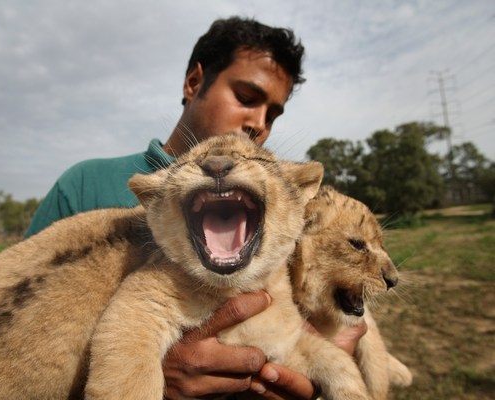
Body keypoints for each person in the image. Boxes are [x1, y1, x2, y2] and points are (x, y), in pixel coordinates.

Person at [25, 17, 367, 399]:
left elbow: (306, 318)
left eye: (272, 114)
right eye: (247, 98)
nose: (258, 124)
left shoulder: (279, 201)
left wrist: (327, 363)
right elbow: (15, 329)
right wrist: (153, 371)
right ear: (193, 83)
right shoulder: (86, 184)